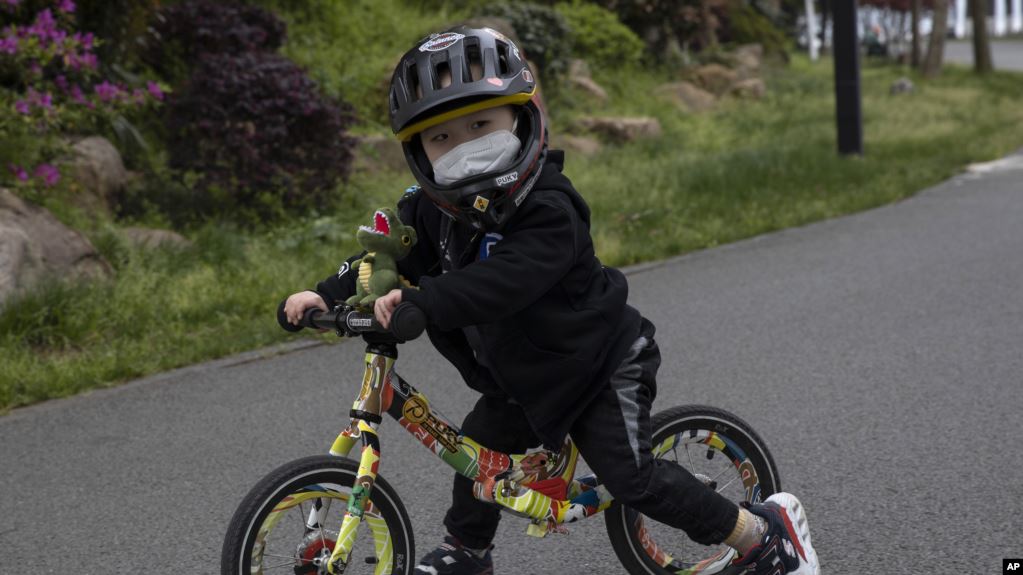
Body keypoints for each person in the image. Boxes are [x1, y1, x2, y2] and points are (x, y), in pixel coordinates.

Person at [283, 26, 820, 575]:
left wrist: (428, 300)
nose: (464, 147)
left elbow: (507, 280)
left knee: (631, 477)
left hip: (598, 365)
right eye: (441, 138)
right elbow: (385, 262)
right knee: (476, 451)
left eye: (479, 125)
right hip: (519, 378)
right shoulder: (431, 212)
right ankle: (467, 553)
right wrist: (324, 294)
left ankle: (762, 537)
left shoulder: (549, 208)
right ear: (417, 151)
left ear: (521, 118)